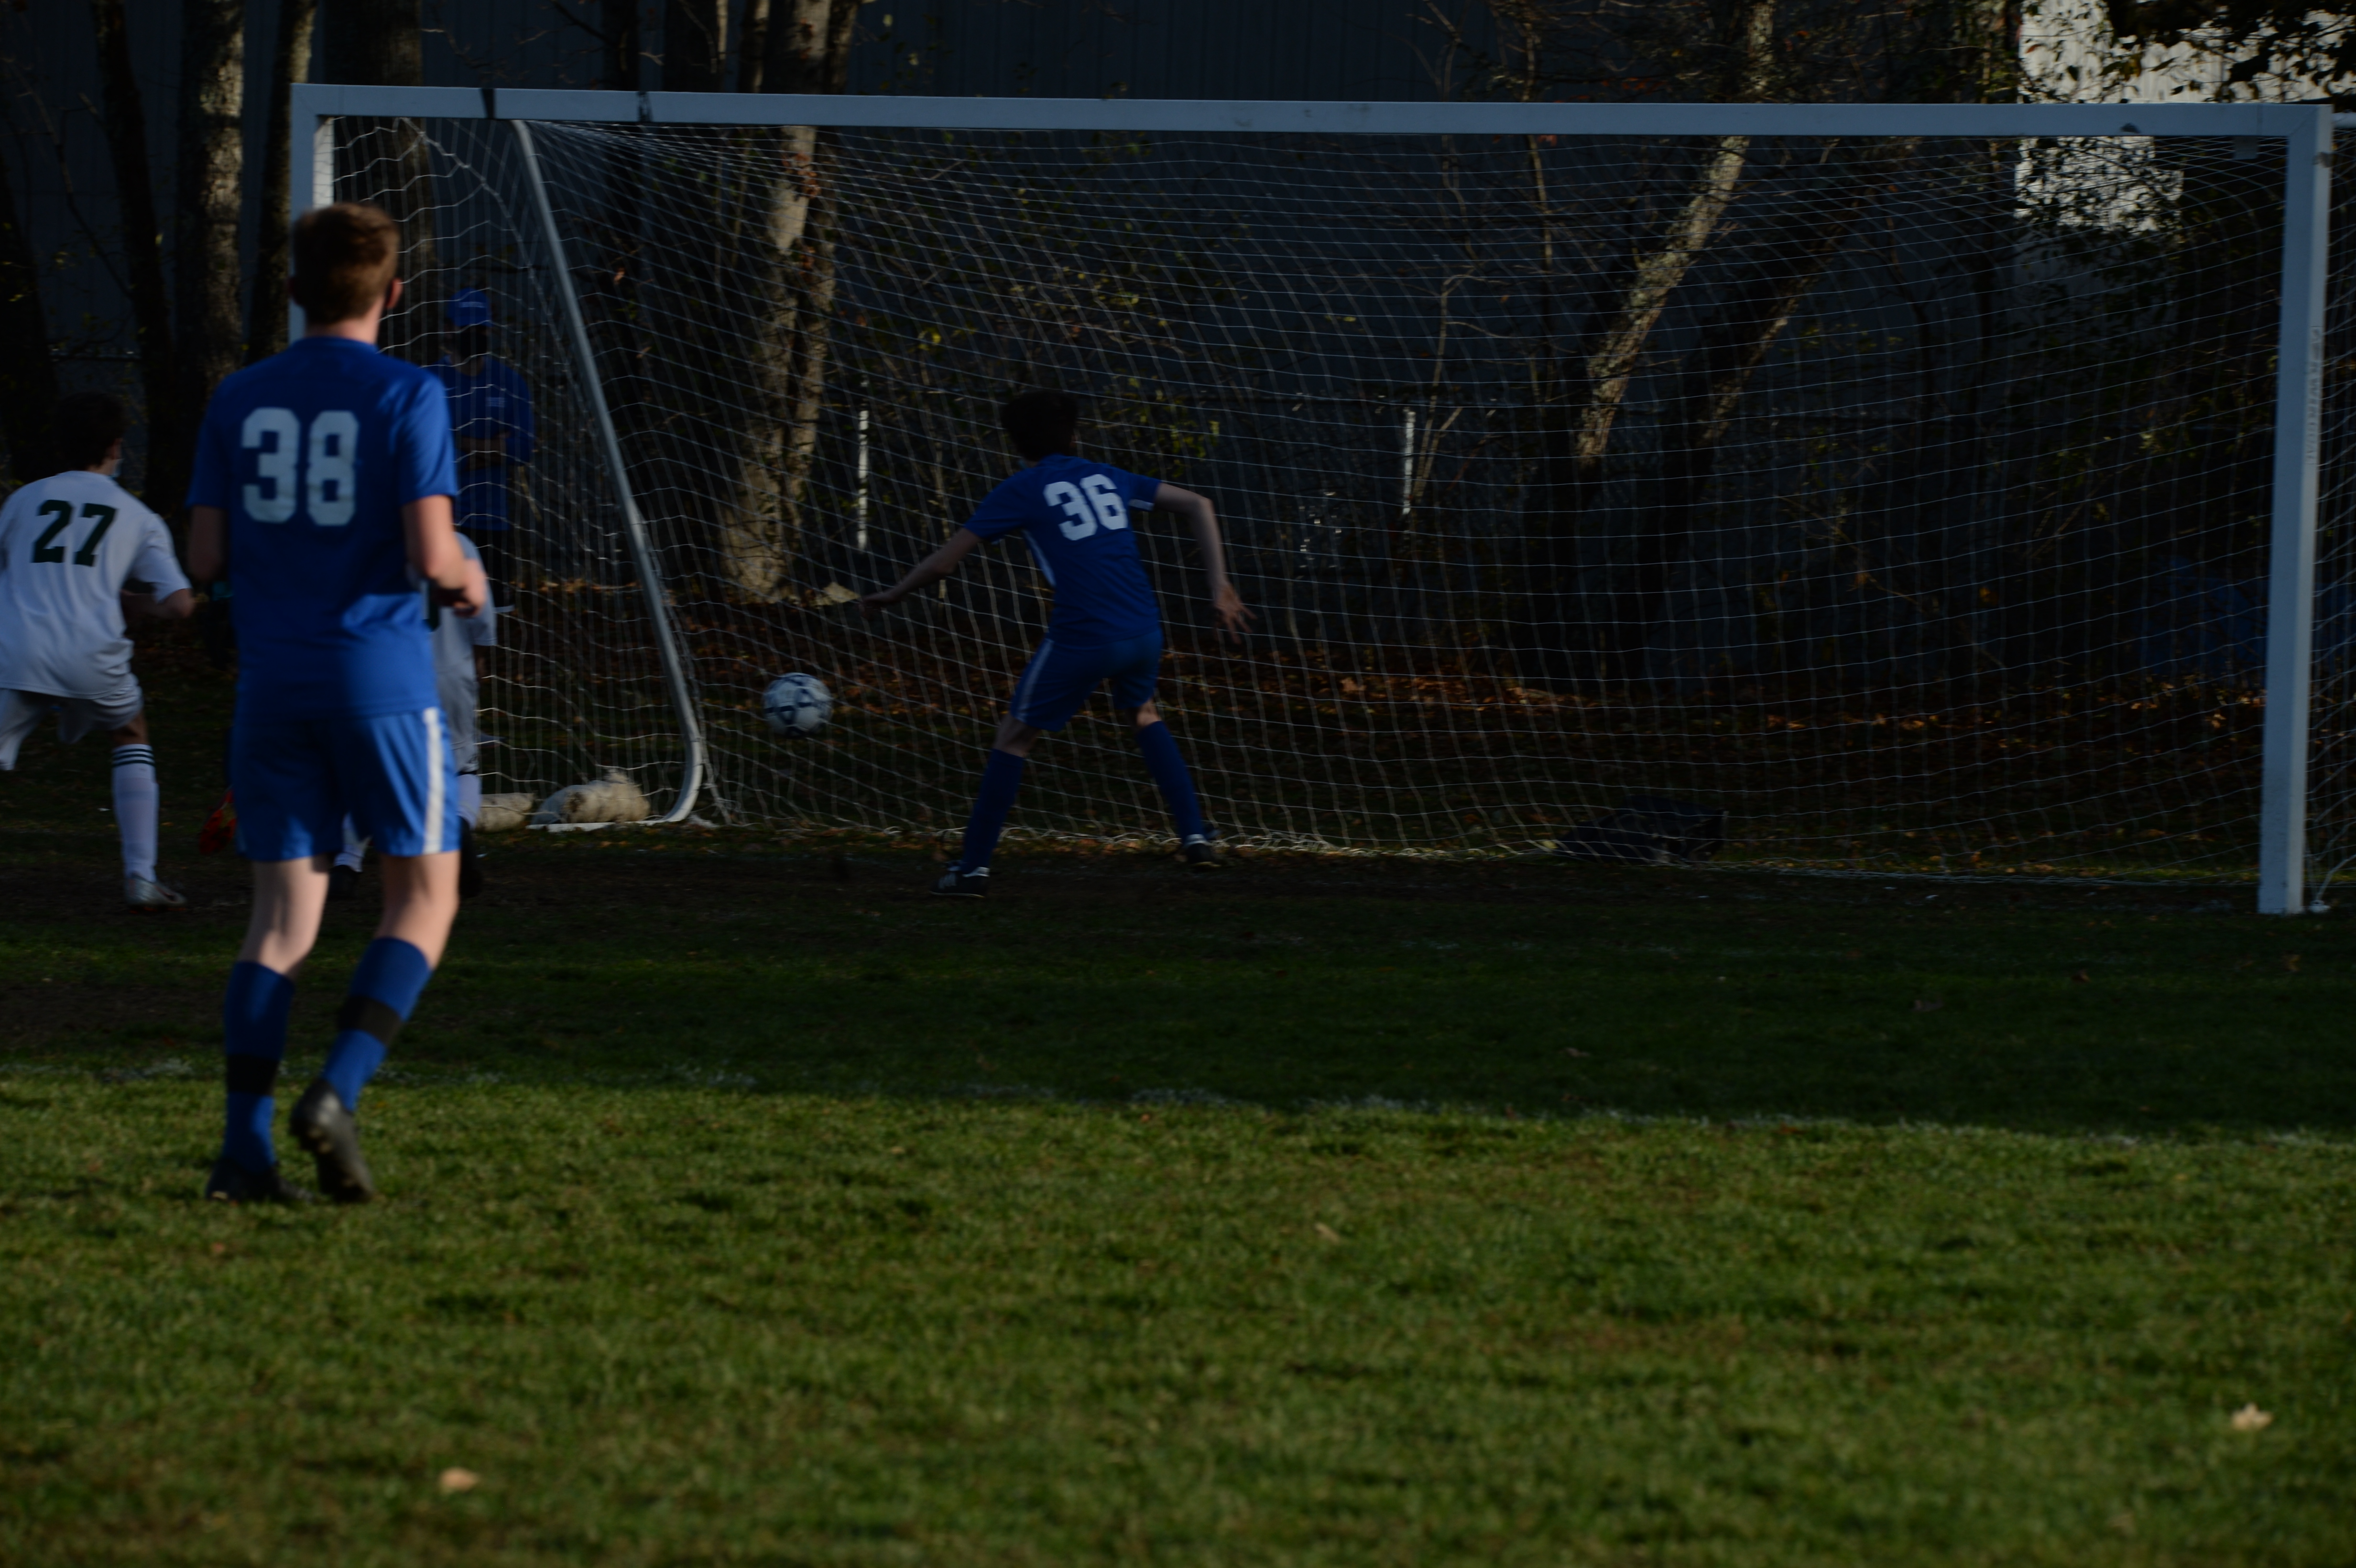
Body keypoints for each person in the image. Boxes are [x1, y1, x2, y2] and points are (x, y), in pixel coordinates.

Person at [186, 202, 486, 1206]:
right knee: (424, 897)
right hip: (380, 682)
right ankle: (337, 1091)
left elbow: (204, 557)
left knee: (279, 924)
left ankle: (243, 1151)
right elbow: (433, 555)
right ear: (393, 294)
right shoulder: (410, 391)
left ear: (292, 290)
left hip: (273, 685)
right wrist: (468, 581)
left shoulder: (238, 395)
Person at [861, 389, 1251, 896]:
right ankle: (1195, 836)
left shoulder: (1023, 488)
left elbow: (944, 563)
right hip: (1143, 630)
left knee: (1013, 738)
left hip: (1085, 636)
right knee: (1143, 714)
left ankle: (972, 870)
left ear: (1016, 445)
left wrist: (895, 593)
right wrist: (1220, 586)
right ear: (1074, 436)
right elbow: (1199, 504)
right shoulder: (1107, 476)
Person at [0, 392, 196, 910]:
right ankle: (141, 877)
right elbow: (179, 606)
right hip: (93, 656)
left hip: (19, 652)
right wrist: (139, 604)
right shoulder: (138, 516)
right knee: (130, 732)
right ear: (115, 446)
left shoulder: (23, 500)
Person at [332, 528, 497, 901]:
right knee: (461, 769)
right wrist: (481, 658)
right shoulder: (460, 545)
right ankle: (458, 823)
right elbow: (482, 616)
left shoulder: (367, 544)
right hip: (449, 674)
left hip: (386, 678)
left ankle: (347, 862)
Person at [428, 288, 533, 608]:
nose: (475, 335)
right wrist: (494, 448)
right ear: (449, 329)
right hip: (440, 524)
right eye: (467, 328)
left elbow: (523, 449)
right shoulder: (429, 383)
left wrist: (464, 445)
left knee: (492, 618)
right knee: (441, 619)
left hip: (492, 521)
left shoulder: (510, 383)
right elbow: (429, 457)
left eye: (482, 329)